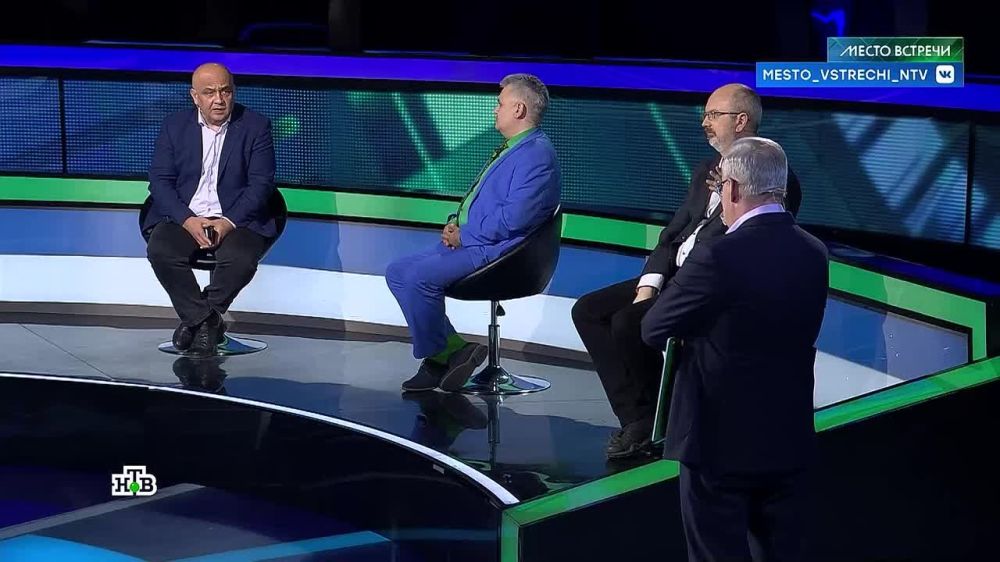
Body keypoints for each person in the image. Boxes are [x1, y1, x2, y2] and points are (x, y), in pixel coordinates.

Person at [571, 83, 802, 458]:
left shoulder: (772, 178)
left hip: (711, 283)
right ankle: (639, 417)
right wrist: (649, 284)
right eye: (705, 115)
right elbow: (672, 234)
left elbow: (755, 243)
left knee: (629, 323)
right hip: (675, 275)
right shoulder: (705, 170)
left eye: (713, 115)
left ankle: (651, 424)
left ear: (741, 120)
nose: (704, 123)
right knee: (589, 310)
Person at [641, 137, 828, 562]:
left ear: (735, 188)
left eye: (722, 184)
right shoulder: (814, 252)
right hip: (787, 435)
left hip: (717, 440)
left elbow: (654, 327)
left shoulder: (717, 255)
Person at [386, 73, 561, 392]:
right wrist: (455, 222)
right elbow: (482, 200)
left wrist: (464, 236)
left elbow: (515, 218)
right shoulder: (515, 148)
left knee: (418, 278)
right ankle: (452, 351)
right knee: (398, 272)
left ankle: (441, 358)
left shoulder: (536, 154)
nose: (495, 109)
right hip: (475, 241)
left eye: (500, 103)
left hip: (500, 252)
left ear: (519, 109)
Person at [143, 63, 277, 356]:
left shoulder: (256, 126)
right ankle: (207, 321)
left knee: (241, 259)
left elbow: (261, 185)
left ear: (233, 92)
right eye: (209, 93)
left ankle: (195, 323)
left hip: (237, 218)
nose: (218, 99)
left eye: (225, 91)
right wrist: (187, 220)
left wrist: (228, 222)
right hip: (185, 216)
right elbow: (160, 181)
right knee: (161, 251)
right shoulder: (174, 126)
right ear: (195, 97)